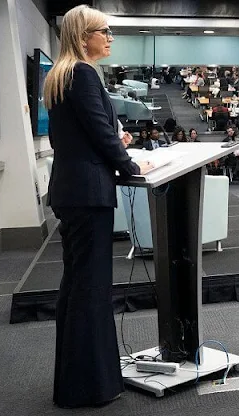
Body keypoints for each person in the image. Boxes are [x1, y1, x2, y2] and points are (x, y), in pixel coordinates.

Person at [43, 5, 153, 409]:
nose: (110, 37)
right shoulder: (84, 74)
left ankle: (75, 383)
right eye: (103, 31)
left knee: (75, 286)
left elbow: (78, 136)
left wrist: (114, 150)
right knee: (90, 289)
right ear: (82, 35)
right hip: (89, 194)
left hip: (70, 190)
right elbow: (101, 134)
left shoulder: (59, 76)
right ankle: (91, 387)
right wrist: (128, 164)